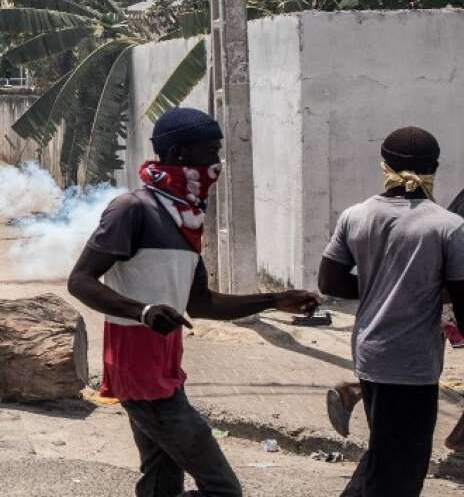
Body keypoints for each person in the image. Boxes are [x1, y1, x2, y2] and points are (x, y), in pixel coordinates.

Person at [68, 107, 319, 497]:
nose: (216, 164)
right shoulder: (132, 210)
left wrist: (273, 300)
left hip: (166, 368)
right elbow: (80, 281)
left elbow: (201, 304)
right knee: (222, 489)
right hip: (138, 368)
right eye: (210, 152)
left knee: (161, 479)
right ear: (181, 154)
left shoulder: (186, 218)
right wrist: (144, 312)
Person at [316, 126, 464, 497]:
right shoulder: (447, 227)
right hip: (413, 363)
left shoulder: (356, 215)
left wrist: (381, 288)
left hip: (369, 355)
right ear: (434, 167)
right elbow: (461, 297)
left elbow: (330, 282)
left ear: (384, 165)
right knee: (400, 470)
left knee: (386, 454)